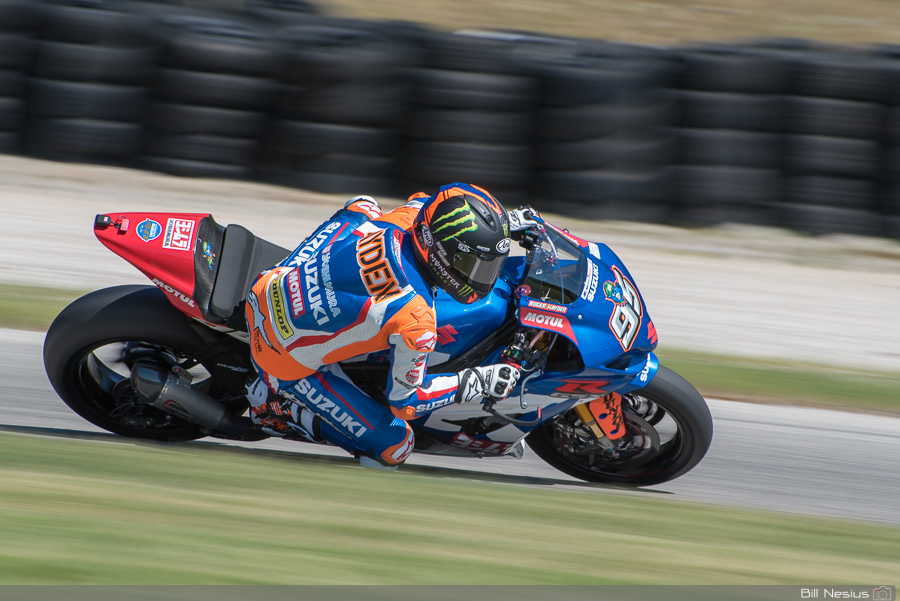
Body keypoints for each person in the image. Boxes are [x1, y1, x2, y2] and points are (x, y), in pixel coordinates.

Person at [243, 183, 538, 470]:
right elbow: (406, 402)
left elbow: (427, 202)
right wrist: (476, 382)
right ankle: (277, 407)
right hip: (278, 354)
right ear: (441, 254)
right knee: (395, 446)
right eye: (472, 264)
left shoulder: (411, 219)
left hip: (269, 283)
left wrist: (503, 226)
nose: (483, 277)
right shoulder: (416, 318)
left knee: (364, 206)